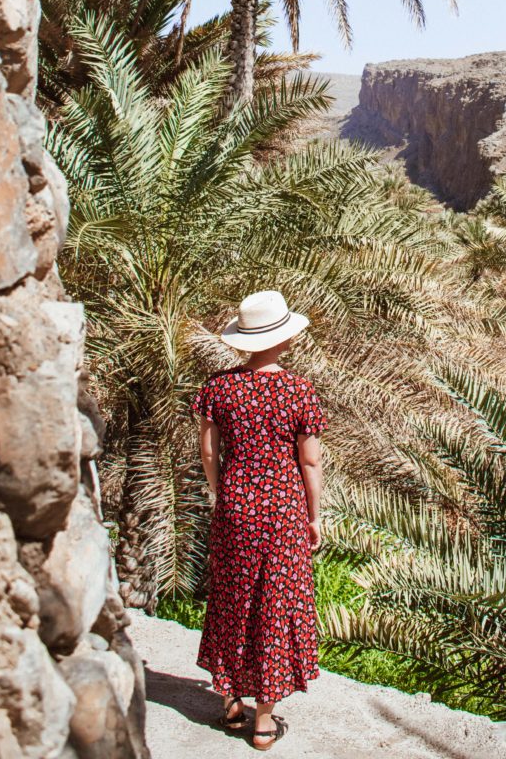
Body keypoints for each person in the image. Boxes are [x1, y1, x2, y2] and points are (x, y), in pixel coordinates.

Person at [193, 290, 327, 751]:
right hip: (283, 513)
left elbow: (209, 452)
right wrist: (314, 517)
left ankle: (230, 700)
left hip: (234, 509)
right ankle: (264, 718)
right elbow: (309, 463)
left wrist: (220, 493)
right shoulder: (298, 392)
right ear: (283, 339)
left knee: (232, 598)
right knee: (274, 604)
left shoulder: (217, 388)